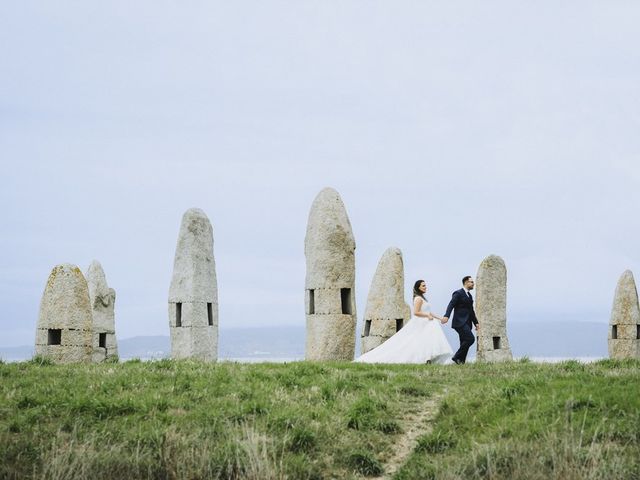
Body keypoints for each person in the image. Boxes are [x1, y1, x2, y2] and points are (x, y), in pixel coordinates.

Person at [355, 279, 453, 364]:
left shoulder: (423, 298)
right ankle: (425, 358)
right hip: (422, 323)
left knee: (428, 341)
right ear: (418, 287)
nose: (425, 287)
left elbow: (429, 311)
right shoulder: (418, 298)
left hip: (428, 322)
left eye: (425, 285)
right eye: (423, 286)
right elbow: (416, 312)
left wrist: (440, 318)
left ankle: (429, 359)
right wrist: (427, 315)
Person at [442, 276, 479, 364]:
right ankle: (456, 356)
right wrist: (446, 316)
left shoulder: (469, 295)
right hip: (459, 322)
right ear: (466, 283)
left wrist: (476, 323)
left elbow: (471, 311)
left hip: (467, 322)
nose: (473, 284)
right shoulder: (458, 293)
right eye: (471, 282)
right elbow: (451, 304)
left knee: (464, 341)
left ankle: (461, 361)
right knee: (470, 339)